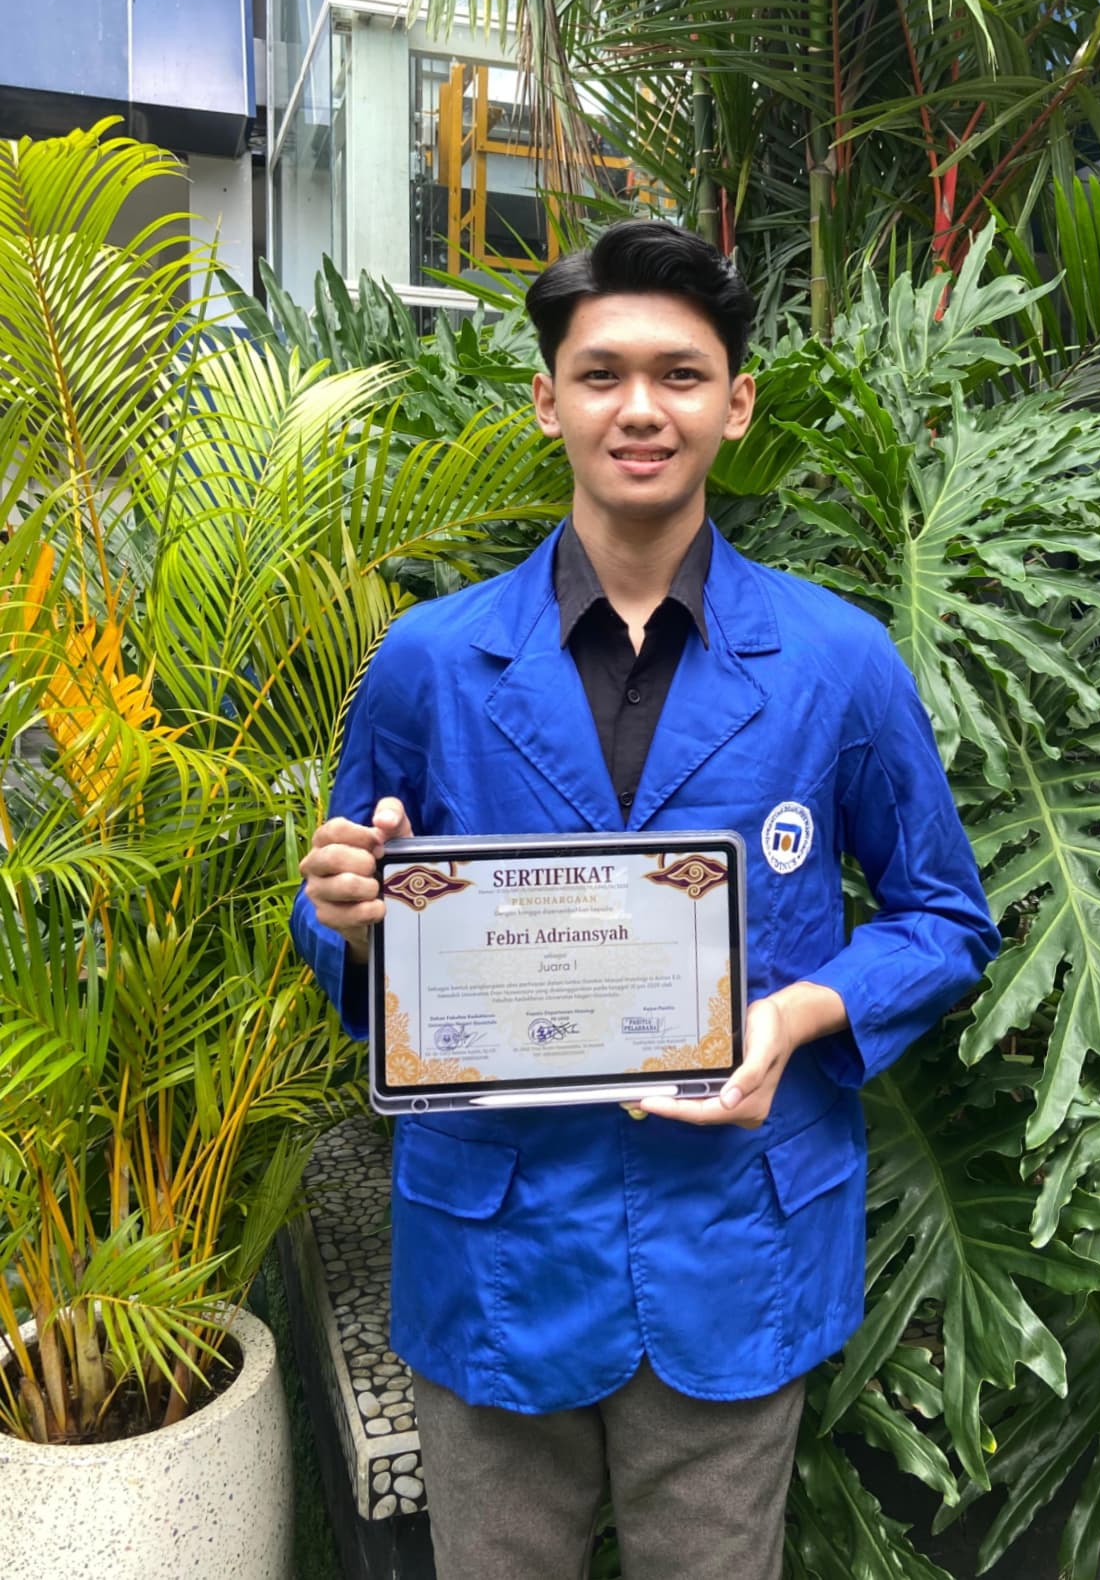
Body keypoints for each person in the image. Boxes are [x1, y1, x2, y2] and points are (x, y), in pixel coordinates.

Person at [292, 221, 1000, 1580]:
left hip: (730, 1238)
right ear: (546, 399)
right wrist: (347, 918)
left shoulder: (837, 662)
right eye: (601, 373)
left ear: (735, 405)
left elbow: (944, 920)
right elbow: (346, 917)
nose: (639, 408)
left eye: (680, 374)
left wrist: (794, 1017)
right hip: (498, 1243)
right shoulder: (430, 661)